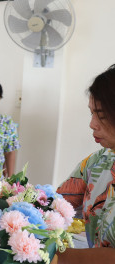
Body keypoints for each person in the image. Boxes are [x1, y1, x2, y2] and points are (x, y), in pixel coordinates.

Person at [56, 65, 115, 263]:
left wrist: (56, 255)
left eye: (102, 115)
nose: (92, 124)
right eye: (91, 113)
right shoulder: (98, 162)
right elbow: (55, 204)